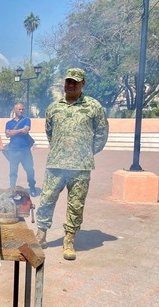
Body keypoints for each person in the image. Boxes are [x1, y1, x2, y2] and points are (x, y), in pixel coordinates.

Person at [35, 68, 109, 261]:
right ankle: (41, 235)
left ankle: (69, 240)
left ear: (83, 84)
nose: (70, 85)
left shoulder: (93, 107)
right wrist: (61, 149)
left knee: (75, 205)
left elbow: (101, 134)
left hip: (81, 167)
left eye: (75, 82)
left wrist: (86, 152)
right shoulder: (53, 107)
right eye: (68, 81)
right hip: (56, 164)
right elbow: (49, 133)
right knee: (46, 200)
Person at [5, 102, 37, 196]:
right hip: (13, 151)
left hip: (25, 151)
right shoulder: (9, 123)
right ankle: (12, 189)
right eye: (19, 109)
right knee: (13, 172)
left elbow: (26, 130)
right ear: (14, 110)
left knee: (30, 170)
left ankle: (32, 187)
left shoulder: (27, 120)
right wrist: (19, 130)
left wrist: (13, 132)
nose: (21, 111)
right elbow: (7, 134)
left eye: (22, 109)